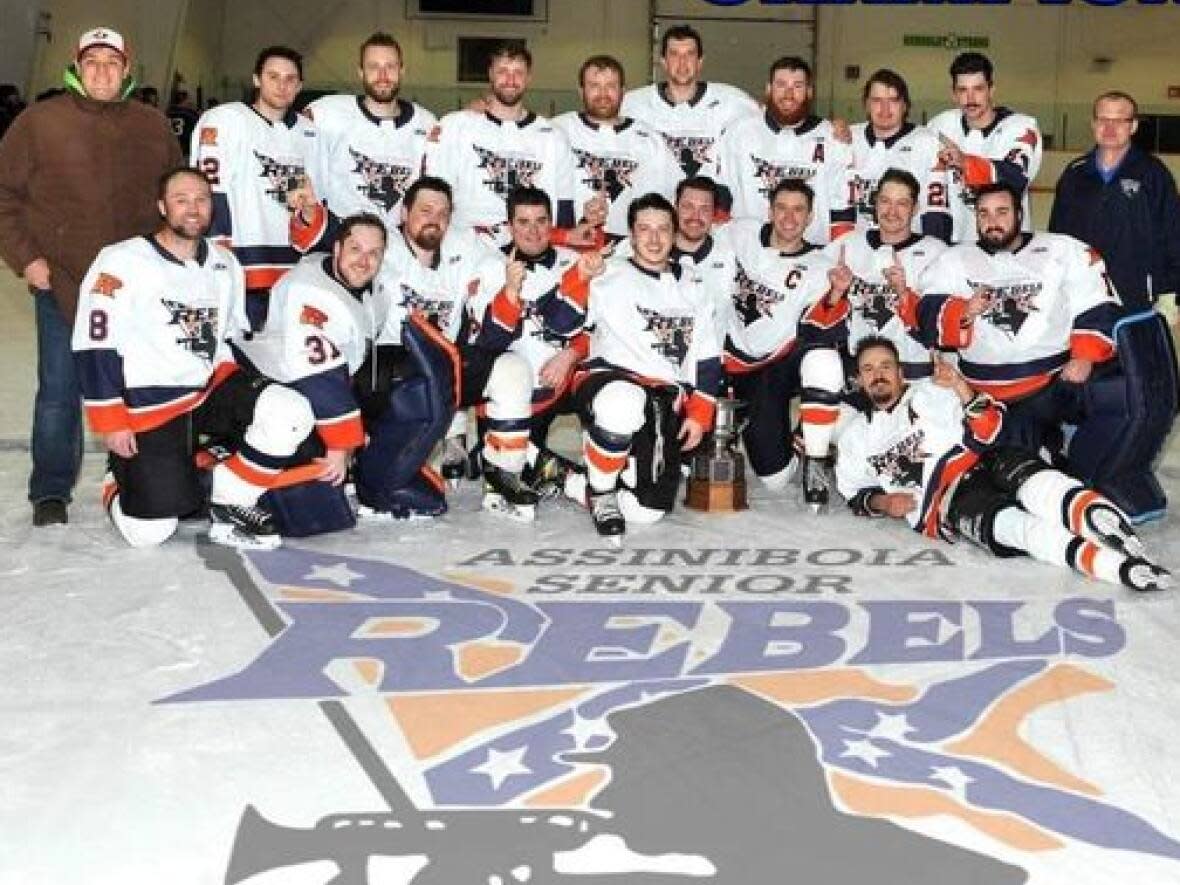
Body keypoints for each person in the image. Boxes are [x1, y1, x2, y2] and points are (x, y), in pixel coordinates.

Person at [72, 167, 326, 549]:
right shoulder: (122, 260)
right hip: (149, 403)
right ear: (162, 206)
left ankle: (230, 502)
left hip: (209, 390)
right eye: (181, 200)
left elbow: (228, 337)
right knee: (150, 533)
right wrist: (111, 419)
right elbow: (95, 343)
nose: (193, 208)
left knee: (291, 410)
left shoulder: (224, 263)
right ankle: (118, 480)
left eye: (202, 199)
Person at [0, 27, 182, 527]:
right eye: (92, 60)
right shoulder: (38, 122)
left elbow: (177, 196)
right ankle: (52, 490)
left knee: (132, 386)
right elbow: (4, 197)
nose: (102, 70)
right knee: (59, 391)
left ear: (128, 70)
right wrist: (28, 260)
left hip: (134, 289)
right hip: (63, 281)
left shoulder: (152, 126)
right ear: (76, 68)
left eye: (112, 61)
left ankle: (126, 475)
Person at [837, 336, 1170, 592]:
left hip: (987, 458)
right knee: (1019, 529)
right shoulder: (854, 437)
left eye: (885, 366)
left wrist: (961, 388)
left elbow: (991, 428)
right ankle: (1118, 569)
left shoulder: (931, 392)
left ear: (899, 370)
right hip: (945, 500)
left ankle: (1117, 535)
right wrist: (883, 501)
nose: (878, 375)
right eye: (868, 369)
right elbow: (855, 493)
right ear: (858, 379)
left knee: (1044, 487)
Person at [362, 176, 539, 520]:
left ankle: (503, 472)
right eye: (425, 210)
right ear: (404, 212)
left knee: (512, 369)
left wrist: (509, 293)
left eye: (443, 212)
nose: (434, 219)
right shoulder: (381, 243)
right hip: (387, 369)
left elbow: (507, 257)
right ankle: (375, 463)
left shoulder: (464, 245)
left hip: (442, 364)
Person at [916, 182, 1121, 454]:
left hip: (1050, 386)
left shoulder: (1061, 249)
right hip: (981, 393)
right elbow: (927, 309)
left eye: (1002, 212)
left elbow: (1096, 300)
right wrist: (962, 311)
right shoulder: (953, 259)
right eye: (984, 214)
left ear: (1019, 214)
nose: (992, 222)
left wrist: (1085, 355)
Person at [572, 192, 720, 539]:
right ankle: (604, 492)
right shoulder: (607, 274)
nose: (654, 239)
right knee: (623, 404)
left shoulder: (694, 284)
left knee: (646, 511)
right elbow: (560, 322)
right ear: (632, 234)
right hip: (610, 383)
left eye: (663, 230)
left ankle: (577, 480)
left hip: (664, 399)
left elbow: (708, 355)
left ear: (674, 233)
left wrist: (700, 412)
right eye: (644, 230)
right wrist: (578, 278)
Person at [468, 186, 604, 493]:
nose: (533, 231)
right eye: (523, 222)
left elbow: (598, 330)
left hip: (557, 386)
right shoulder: (490, 266)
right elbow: (488, 342)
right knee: (510, 472)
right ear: (509, 226)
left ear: (551, 223)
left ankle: (608, 463)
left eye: (541, 221)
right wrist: (510, 294)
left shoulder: (575, 262)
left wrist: (569, 354)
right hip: (508, 392)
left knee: (608, 383)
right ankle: (505, 456)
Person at [722, 179, 847, 509]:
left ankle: (816, 455)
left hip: (777, 364)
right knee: (775, 479)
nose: (789, 218)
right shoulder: (738, 233)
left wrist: (835, 294)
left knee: (825, 359)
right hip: (729, 359)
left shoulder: (821, 267)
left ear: (810, 217)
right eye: (781, 208)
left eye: (798, 210)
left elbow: (821, 328)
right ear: (769, 210)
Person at [191, 45, 321, 330]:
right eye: (273, 76)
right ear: (256, 79)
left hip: (293, 270)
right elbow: (211, 191)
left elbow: (315, 199)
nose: (282, 85)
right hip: (242, 265)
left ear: (299, 86)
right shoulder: (225, 120)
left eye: (290, 79)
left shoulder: (308, 132)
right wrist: (217, 256)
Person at [426, 43, 582, 249]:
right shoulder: (456, 126)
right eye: (503, 71)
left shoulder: (552, 136)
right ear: (490, 74)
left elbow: (564, 207)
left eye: (518, 72)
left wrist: (562, 249)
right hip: (467, 249)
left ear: (529, 78)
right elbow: (433, 195)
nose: (510, 79)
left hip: (530, 249)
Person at [1049, 91, 1180, 313]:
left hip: (1138, 295)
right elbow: (1058, 234)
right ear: (1093, 124)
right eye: (1103, 120)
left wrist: (1170, 290)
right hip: (1084, 293)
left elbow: (1173, 232)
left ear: (1134, 126)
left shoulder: (1153, 173)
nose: (1110, 128)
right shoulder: (1075, 173)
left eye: (1120, 120)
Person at [304, 32, 437, 233]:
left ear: (402, 71)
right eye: (374, 67)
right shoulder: (328, 112)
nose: (383, 76)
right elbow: (286, 130)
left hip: (396, 242)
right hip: (340, 238)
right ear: (361, 72)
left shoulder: (426, 122)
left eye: (390, 67)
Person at [823, 168, 947, 380]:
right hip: (860, 369)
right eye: (885, 201)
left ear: (915, 208)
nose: (892, 211)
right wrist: (835, 294)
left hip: (913, 369)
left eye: (902, 203)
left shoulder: (937, 252)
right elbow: (820, 317)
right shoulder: (848, 245)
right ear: (875, 203)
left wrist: (904, 293)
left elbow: (939, 324)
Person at [718, 56, 854, 244]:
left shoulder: (833, 137)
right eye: (781, 85)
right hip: (748, 253)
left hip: (812, 257)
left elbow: (842, 210)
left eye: (797, 86)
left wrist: (841, 255)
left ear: (809, 92)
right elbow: (722, 194)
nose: (788, 94)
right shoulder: (739, 132)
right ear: (768, 89)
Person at [621, 24, 758, 209]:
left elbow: (766, 127)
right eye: (674, 54)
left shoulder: (733, 101)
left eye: (689, 54)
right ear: (663, 61)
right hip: (655, 217)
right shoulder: (632, 104)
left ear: (700, 61)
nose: (682, 63)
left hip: (710, 218)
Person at [553, 55, 680, 242]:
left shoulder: (649, 139)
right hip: (569, 245)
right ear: (581, 91)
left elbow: (665, 198)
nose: (603, 94)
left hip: (629, 250)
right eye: (594, 86)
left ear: (623, 92)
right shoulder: (557, 131)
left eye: (610, 86)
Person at [927, 52, 1042, 243]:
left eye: (978, 89)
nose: (970, 98)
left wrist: (966, 162)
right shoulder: (940, 126)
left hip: (1007, 245)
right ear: (953, 93)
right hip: (957, 247)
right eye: (962, 90)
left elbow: (1016, 177)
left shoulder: (1021, 128)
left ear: (991, 89)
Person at [848, 69, 951, 242]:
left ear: (905, 105)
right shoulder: (848, 139)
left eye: (893, 101)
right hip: (860, 249)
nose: (885, 109)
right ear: (866, 104)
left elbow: (936, 212)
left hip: (909, 249)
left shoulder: (928, 143)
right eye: (877, 100)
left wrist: (930, 254)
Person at [166, 89, 200, 160]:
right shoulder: (190, 114)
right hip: (185, 150)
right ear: (185, 100)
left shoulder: (168, 113)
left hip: (169, 149)